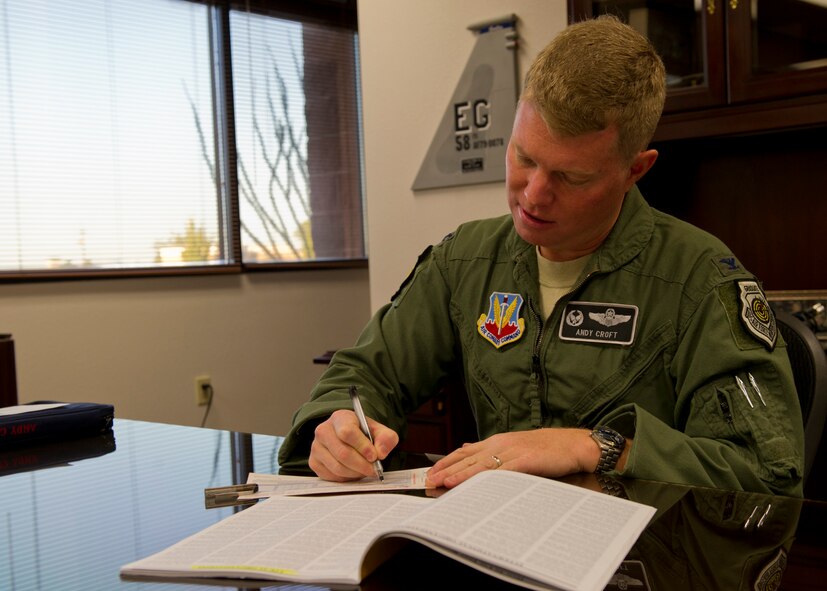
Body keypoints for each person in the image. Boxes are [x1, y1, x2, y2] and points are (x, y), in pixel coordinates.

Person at [277, 15, 804, 497]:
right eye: (524, 157)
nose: (532, 194)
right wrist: (336, 425)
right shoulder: (465, 261)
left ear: (635, 170)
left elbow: (767, 474)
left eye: (572, 177)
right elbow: (367, 374)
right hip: (497, 544)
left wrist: (596, 446)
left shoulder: (700, 282)